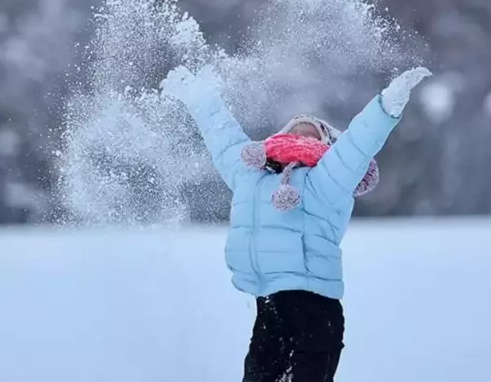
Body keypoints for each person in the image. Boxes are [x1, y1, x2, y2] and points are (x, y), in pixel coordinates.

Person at [160, 64, 431, 382]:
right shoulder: (252, 174)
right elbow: (223, 137)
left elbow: (358, 143)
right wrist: (198, 97)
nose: (301, 134)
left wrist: (386, 106)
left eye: (312, 132)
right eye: (295, 130)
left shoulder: (328, 178)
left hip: (315, 311)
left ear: (329, 145)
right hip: (269, 307)